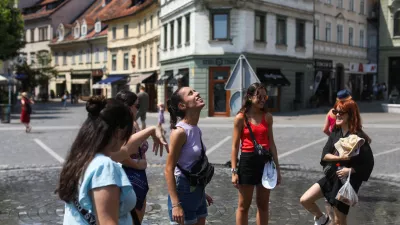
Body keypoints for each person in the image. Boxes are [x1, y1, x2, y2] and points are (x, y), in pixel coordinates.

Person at [57, 96, 168, 225]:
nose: (127, 139)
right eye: (128, 133)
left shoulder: (81, 158)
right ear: (119, 132)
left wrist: (151, 130)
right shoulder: (104, 166)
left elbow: (125, 150)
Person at [300, 99, 374, 225]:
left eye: (341, 112)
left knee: (339, 221)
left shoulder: (357, 137)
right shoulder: (336, 132)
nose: (337, 114)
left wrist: (350, 170)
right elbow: (325, 155)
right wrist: (340, 158)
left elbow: (369, 163)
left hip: (344, 184)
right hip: (330, 178)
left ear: (350, 114)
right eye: (335, 111)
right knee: (305, 199)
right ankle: (322, 219)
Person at [231, 83, 281, 225]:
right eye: (259, 96)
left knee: (263, 205)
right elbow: (235, 147)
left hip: (265, 162)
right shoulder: (241, 118)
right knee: (243, 206)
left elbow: (272, 144)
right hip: (247, 162)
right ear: (249, 97)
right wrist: (234, 171)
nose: (263, 99)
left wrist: (277, 168)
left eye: (265, 96)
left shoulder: (268, 117)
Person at [165, 87, 213, 225]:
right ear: (182, 105)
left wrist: (201, 193)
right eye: (191, 93)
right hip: (183, 191)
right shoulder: (179, 132)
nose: (197, 93)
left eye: (195, 91)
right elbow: (169, 169)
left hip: (196, 189)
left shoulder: (196, 129)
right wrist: (175, 205)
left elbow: (190, 165)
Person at [116, 90, 149, 223]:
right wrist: (138, 164)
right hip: (129, 177)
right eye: (137, 106)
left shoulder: (133, 123)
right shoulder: (123, 127)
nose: (139, 108)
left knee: (137, 220)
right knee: (133, 220)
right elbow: (120, 155)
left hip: (139, 176)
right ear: (128, 107)